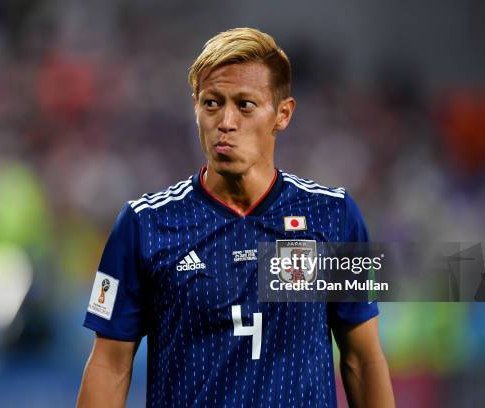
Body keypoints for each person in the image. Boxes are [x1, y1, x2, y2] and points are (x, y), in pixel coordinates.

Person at [77, 27, 394, 408]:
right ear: (195, 107)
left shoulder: (336, 216)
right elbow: (110, 364)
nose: (226, 121)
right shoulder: (143, 224)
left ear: (282, 114)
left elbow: (363, 357)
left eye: (245, 105)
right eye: (211, 103)